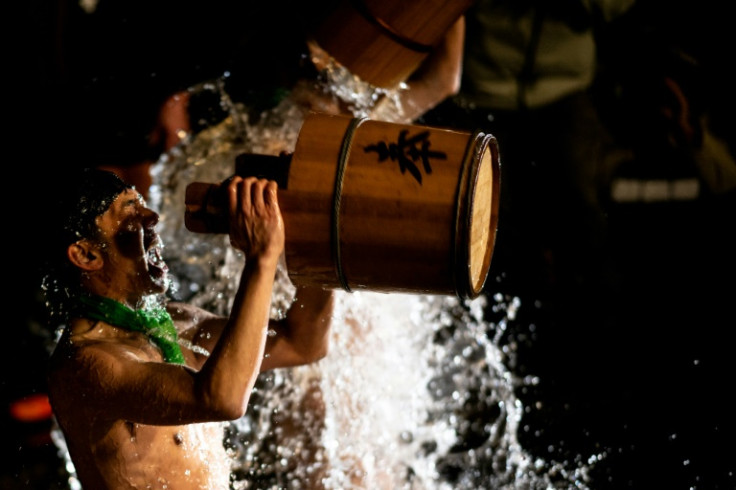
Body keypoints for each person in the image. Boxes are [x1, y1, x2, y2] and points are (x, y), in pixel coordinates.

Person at [43, 168, 334, 489]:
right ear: (87, 254)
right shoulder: (84, 364)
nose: (151, 216)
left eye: (142, 203)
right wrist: (262, 258)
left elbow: (302, 342)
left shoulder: (175, 324)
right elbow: (221, 399)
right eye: (130, 212)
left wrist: (319, 238)